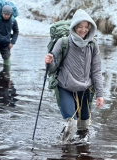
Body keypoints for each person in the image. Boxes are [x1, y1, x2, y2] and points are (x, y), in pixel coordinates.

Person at [45, 9, 104, 142]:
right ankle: (64, 151)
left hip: (84, 90)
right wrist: (49, 62)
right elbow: (52, 69)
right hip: (65, 87)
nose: (83, 30)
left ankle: (80, 153)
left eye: (86, 27)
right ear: (74, 27)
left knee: (84, 128)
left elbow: (96, 71)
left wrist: (100, 94)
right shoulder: (63, 42)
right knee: (71, 125)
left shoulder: (93, 45)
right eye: (80, 26)